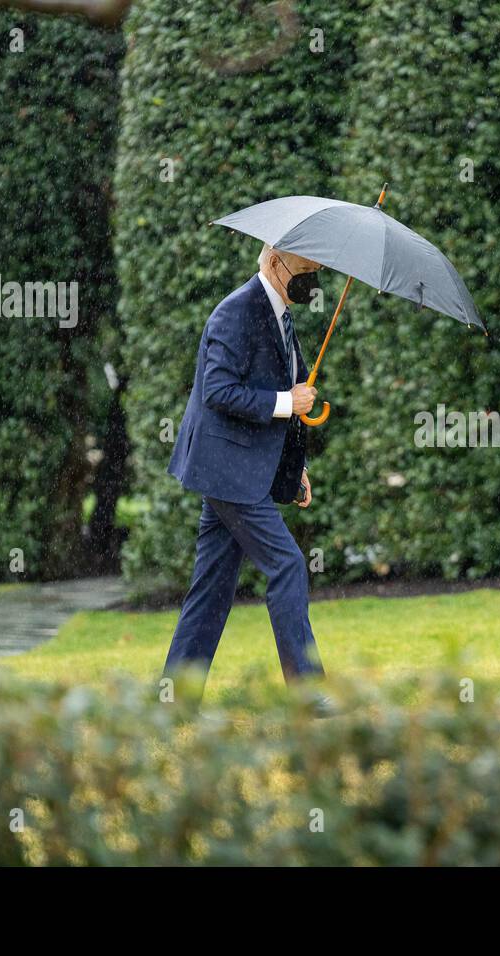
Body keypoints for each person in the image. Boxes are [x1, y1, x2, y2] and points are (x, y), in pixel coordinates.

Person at [161, 244, 331, 711]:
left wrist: (296, 470)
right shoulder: (236, 311)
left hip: (238, 471)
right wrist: (285, 402)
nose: (313, 277)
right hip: (225, 469)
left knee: (212, 588)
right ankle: (308, 693)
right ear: (275, 263)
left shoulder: (282, 315)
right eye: (306, 268)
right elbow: (218, 391)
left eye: (316, 269)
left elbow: (283, 393)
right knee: (289, 564)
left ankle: (174, 698)